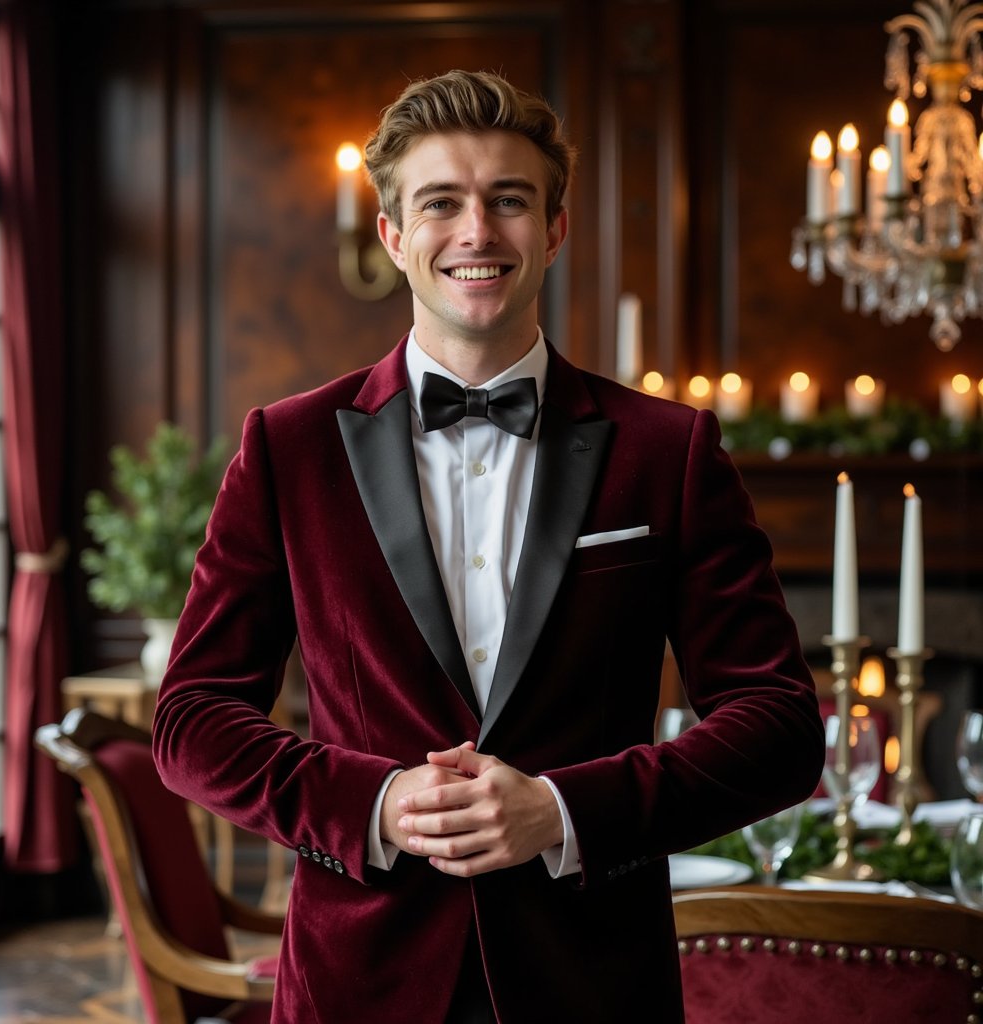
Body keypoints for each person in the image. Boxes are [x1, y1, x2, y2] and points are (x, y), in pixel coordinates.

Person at [152, 69, 825, 1023]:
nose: (476, 232)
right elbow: (191, 720)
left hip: (591, 982)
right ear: (393, 236)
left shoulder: (668, 451)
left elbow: (780, 727)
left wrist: (562, 811)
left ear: (553, 228)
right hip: (359, 984)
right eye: (441, 204)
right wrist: (376, 804)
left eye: (508, 200)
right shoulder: (287, 449)